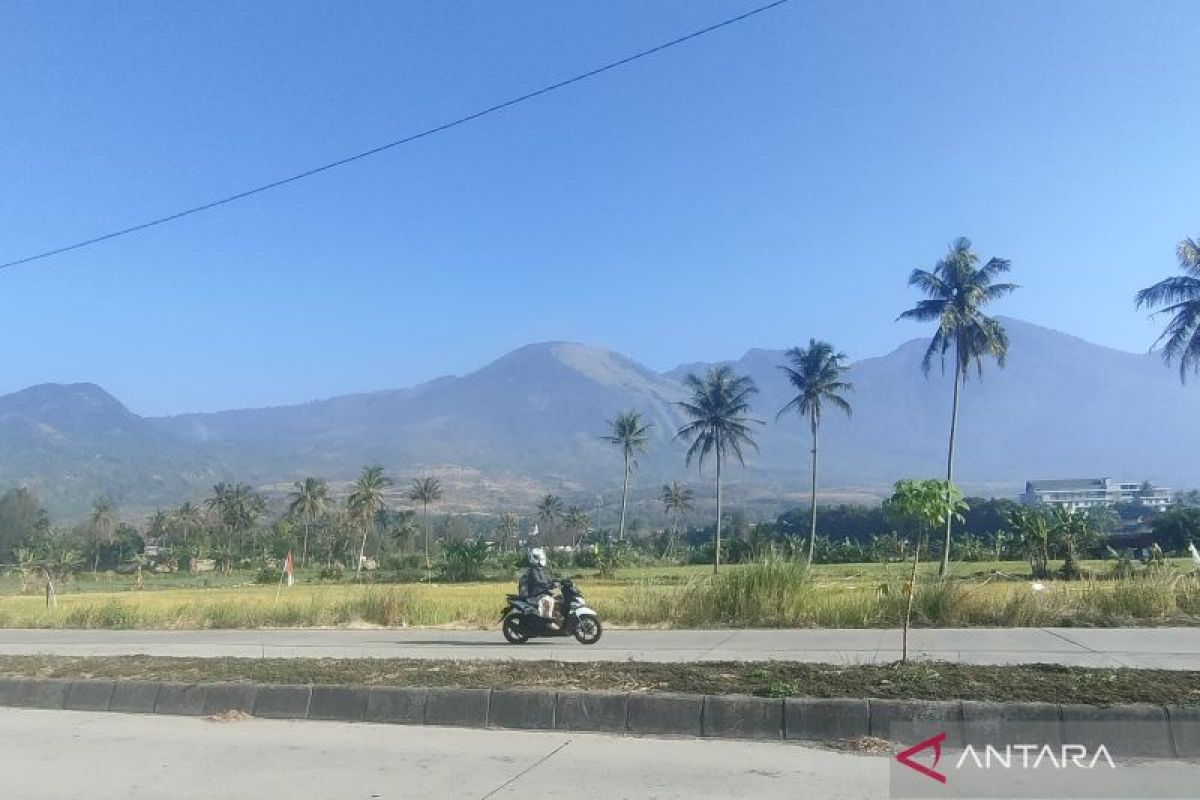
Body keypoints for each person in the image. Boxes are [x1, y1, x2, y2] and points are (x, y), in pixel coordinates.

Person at [520, 547, 559, 629]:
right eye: (538, 558)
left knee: (559, 599)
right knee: (549, 601)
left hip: (542, 593)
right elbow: (538, 581)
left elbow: (548, 579)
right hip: (535, 594)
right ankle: (548, 622)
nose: (540, 559)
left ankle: (556, 619)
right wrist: (550, 584)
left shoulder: (541, 569)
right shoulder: (533, 570)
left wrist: (558, 581)